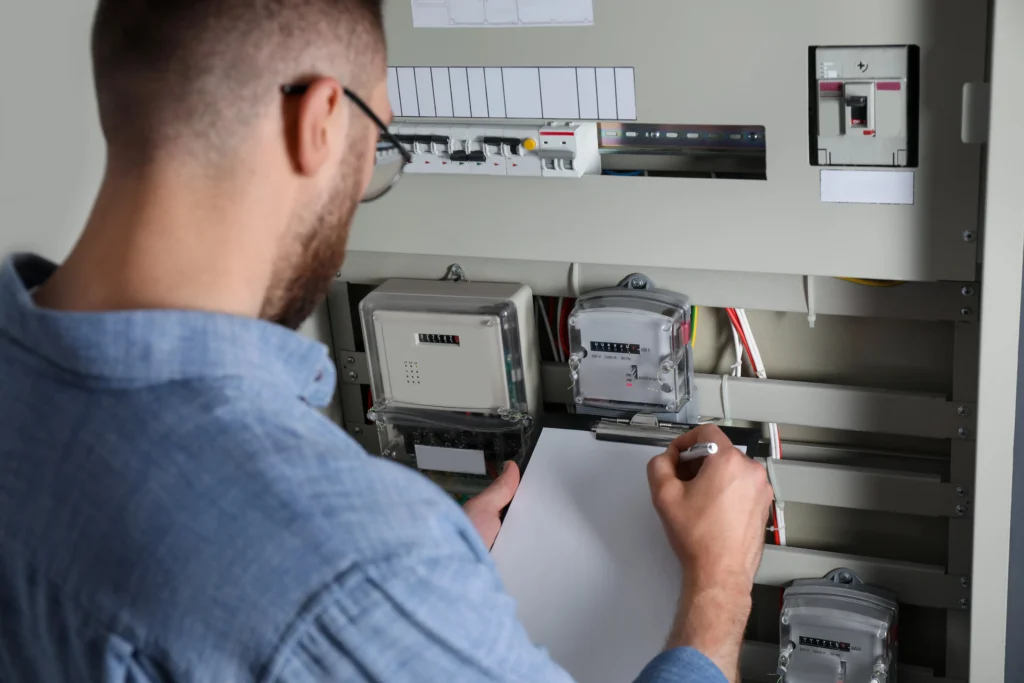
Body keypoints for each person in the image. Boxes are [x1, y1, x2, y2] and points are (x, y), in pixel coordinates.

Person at [0, 0, 775, 681]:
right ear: (321, 121)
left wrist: (415, 589)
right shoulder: (340, 561)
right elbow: (301, 577)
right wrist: (717, 585)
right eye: (379, 151)